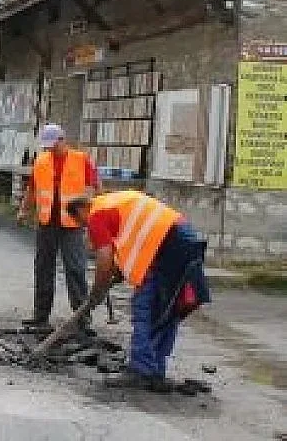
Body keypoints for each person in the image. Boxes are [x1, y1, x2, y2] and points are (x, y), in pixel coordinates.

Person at [66, 191, 210, 391]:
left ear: (81, 209)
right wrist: (117, 275)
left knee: (145, 308)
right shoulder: (114, 201)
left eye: (80, 223)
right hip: (181, 240)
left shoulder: (96, 214)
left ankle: (141, 370)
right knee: (167, 311)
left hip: (167, 246)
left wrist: (97, 292)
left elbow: (105, 259)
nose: (84, 228)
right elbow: (133, 246)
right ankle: (154, 371)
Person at [17, 124, 101, 334]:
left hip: (72, 225)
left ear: (63, 140)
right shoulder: (41, 161)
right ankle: (40, 317)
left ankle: (82, 320)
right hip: (47, 223)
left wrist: (88, 213)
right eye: (47, 147)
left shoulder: (82, 160)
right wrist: (23, 210)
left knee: (75, 269)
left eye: (53, 145)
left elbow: (93, 189)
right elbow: (33, 189)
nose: (50, 150)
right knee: (43, 268)